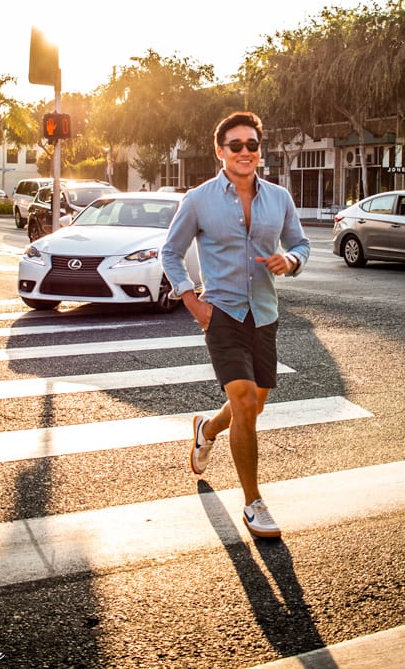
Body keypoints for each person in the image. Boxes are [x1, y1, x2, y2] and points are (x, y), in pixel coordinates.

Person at [162, 111, 310, 538]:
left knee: (255, 402)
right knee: (245, 403)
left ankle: (205, 429)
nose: (245, 152)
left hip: (264, 312)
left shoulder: (279, 198)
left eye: (251, 145)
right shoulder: (199, 199)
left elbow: (300, 242)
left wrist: (292, 259)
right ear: (219, 151)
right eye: (235, 146)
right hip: (222, 313)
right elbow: (170, 252)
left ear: (259, 151)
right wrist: (192, 302)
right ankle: (253, 503)